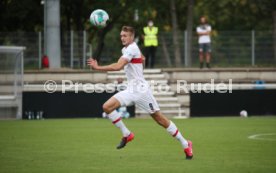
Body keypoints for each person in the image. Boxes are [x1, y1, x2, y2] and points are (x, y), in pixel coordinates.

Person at [87, 26, 193, 159]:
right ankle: (127, 134)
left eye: (125, 36)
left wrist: (98, 67)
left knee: (160, 119)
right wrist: (137, 70)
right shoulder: (127, 49)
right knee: (106, 107)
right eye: (121, 36)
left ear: (132, 37)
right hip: (131, 89)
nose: (122, 38)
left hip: (142, 92)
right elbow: (143, 58)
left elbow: (118, 66)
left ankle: (185, 143)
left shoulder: (131, 48)